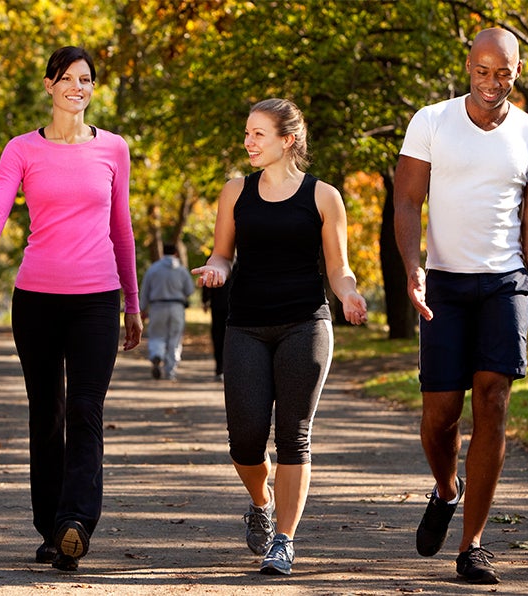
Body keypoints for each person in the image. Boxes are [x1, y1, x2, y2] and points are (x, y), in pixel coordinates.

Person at [0, 46, 142, 573]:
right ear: (49, 84)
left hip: (97, 301)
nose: (79, 87)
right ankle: (50, 526)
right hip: (35, 300)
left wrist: (132, 301)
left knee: (85, 410)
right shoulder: (21, 150)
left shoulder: (114, 149)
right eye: (69, 78)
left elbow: (120, 229)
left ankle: (75, 522)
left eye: (87, 79)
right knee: (47, 412)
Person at [393, 27, 528, 585]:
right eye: (482, 71)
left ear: (515, 72)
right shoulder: (431, 121)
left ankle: (474, 545)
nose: (491, 83)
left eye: (502, 73)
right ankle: (446, 489)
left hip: (506, 284)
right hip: (445, 285)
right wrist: (413, 267)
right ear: (468, 66)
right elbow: (408, 199)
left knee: (493, 402)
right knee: (439, 416)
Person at [192, 98, 368, 576]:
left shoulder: (324, 196)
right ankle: (261, 499)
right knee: (245, 440)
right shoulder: (235, 192)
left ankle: (284, 541)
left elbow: (338, 267)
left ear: (287, 140)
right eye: (247, 133)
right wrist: (215, 269)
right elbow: (223, 254)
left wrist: (349, 295)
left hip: (305, 324)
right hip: (246, 324)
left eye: (258, 134)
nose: (248, 142)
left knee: (294, 436)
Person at [139, 242, 196, 380]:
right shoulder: (181, 270)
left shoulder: (153, 269)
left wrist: (142, 310)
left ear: (162, 252)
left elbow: (145, 291)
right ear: (176, 253)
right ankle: (170, 370)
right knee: (174, 339)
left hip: (157, 306)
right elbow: (190, 290)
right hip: (177, 306)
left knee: (157, 335)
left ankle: (156, 355)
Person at [200, 278, 230, 379]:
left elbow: (206, 282)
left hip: (218, 303)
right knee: (228, 336)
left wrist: (205, 300)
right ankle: (224, 367)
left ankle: (220, 368)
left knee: (218, 335)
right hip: (231, 304)